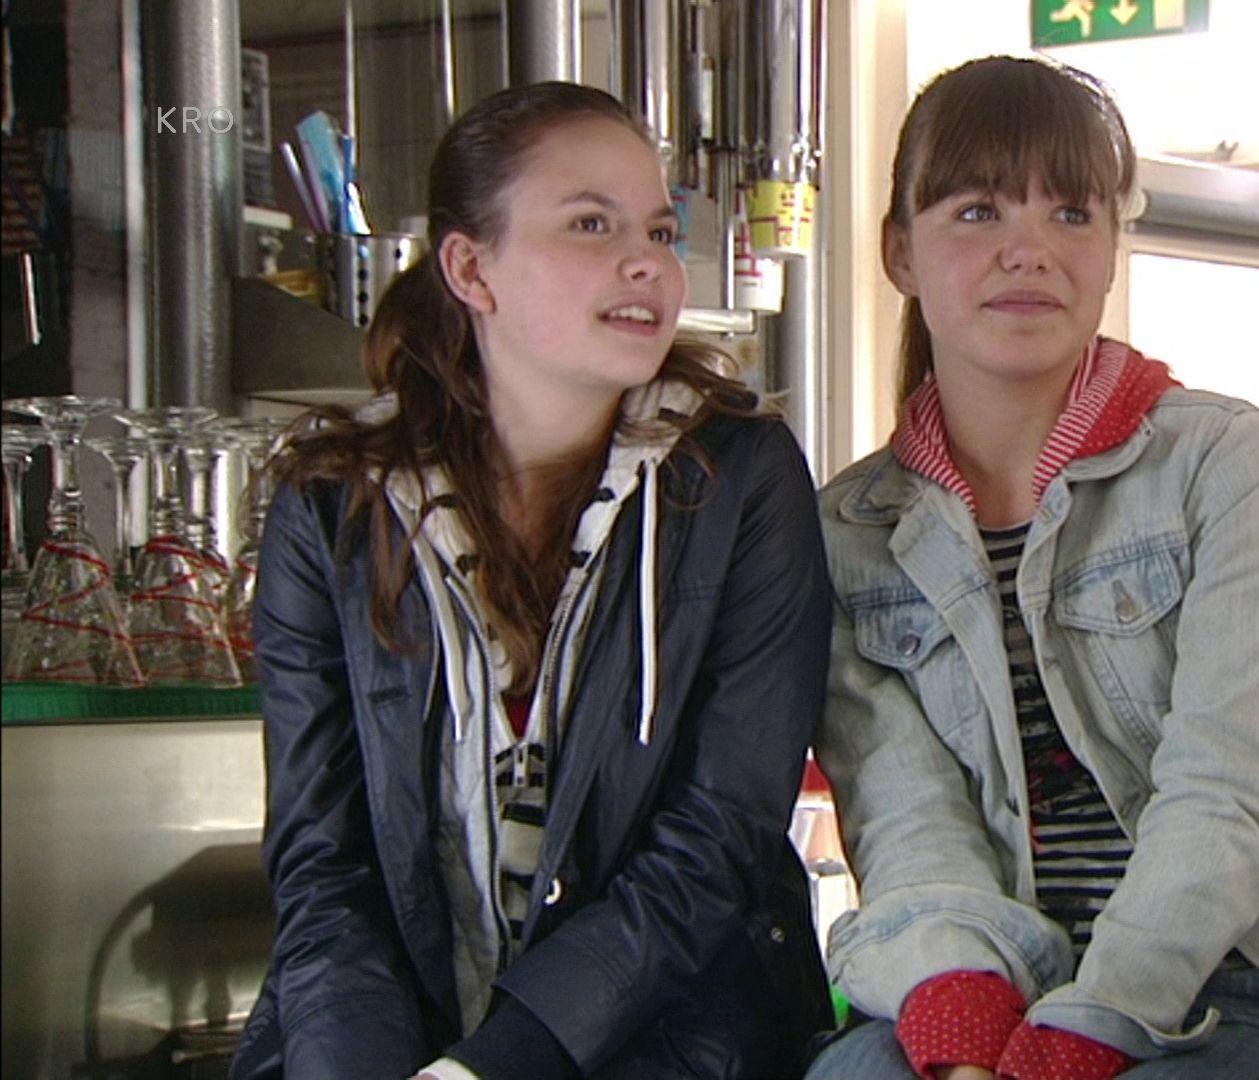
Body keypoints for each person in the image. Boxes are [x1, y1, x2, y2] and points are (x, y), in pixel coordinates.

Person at [230, 82, 832, 1080]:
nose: (646, 262)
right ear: (471, 268)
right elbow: (324, 866)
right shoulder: (333, 504)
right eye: (592, 224)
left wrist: (493, 1066)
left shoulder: (736, 479)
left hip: (670, 1040)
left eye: (658, 230)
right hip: (384, 1037)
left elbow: (718, 836)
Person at [805, 56, 1259, 1080]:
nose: (1029, 251)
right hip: (995, 977)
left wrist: (1091, 1024)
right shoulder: (849, 529)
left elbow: (1231, 789)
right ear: (899, 253)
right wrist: (965, 1016)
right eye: (977, 212)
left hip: (1235, 979)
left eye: (1071, 213)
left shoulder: (1223, 461)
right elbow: (901, 810)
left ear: (1112, 248)